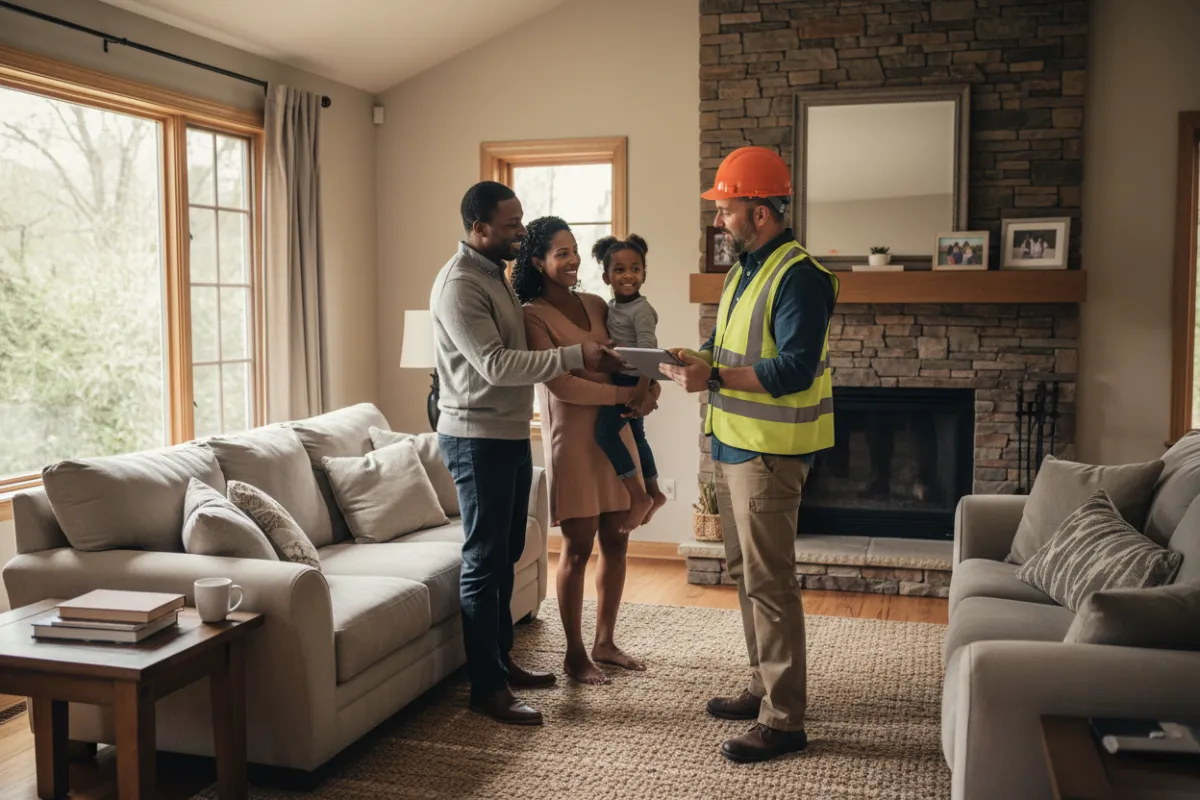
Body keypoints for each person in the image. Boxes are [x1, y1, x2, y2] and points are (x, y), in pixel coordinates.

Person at [660, 146, 838, 764]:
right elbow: (724, 344)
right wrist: (693, 357)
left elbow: (792, 369)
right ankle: (764, 688)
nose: (719, 221)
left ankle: (785, 720)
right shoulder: (744, 270)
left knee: (770, 582)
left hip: (770, 452)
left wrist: (711, 377)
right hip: (734, 444)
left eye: (726, 209)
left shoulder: (800, 275)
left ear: (759, 211)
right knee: (747, 578)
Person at [430, 181, 625, 726]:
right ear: (478, 228)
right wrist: (574, 353)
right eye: (512, 225)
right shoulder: (459, 285)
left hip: (509, 432)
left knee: (509, 548)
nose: (521, 230)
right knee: (484, 560)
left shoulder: (495, 277)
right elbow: (494, 364)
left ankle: (502, 661)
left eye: (521, 222)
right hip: (475, 438)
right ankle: (486, 688)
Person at [517, 216, 660, 685]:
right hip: (573, 445)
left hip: (614, 436)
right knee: (577, 549)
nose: (573, 259)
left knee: (617, 541)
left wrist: (647, 391)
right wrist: (625, 397)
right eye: (562, 252)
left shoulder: (600, 303)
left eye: (575, 249)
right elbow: (562, 386)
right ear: (538, 261)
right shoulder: (530, 314)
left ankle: (605, 641)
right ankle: (574, 655)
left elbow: (633, 358)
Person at [591, 233, 667, 534]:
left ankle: (638, 496)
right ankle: (655, 492)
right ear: (606, 276)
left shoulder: (642, 311)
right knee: (637, 437)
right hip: (626, 377)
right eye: (620, 270)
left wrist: (641, 390)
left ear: (644, 274)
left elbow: (650, 353)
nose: (628, 275)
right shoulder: (612, 306)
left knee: (605, 432)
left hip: (634, 380)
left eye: (635, 269)